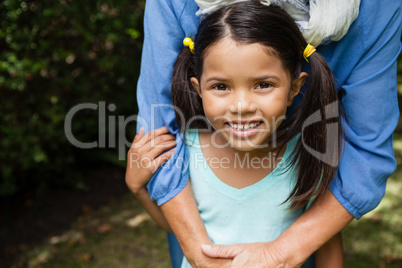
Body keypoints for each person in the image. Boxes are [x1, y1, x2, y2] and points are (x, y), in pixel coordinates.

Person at [126, 0, 402, 267]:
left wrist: (278, 255)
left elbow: (327, 241)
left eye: (262, 85)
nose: (241, 107)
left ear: (295, 88)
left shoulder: (308, 157)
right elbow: (173, 225)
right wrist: (139, 189)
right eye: (221, 86)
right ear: (198, 89)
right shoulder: (187, 153)